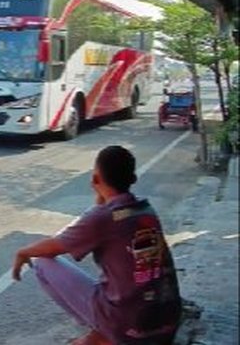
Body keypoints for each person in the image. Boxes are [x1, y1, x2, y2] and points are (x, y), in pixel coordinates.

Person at [12, 146, 181, 345]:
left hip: (129, 329)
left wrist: (23, 252)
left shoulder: (102, 217)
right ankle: (103, 331)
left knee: (42, 263)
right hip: (167, 325)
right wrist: (102, 197)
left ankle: (104, 332)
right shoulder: (145, 209)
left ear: (95, 179)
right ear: (132, 179)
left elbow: (54, 247)